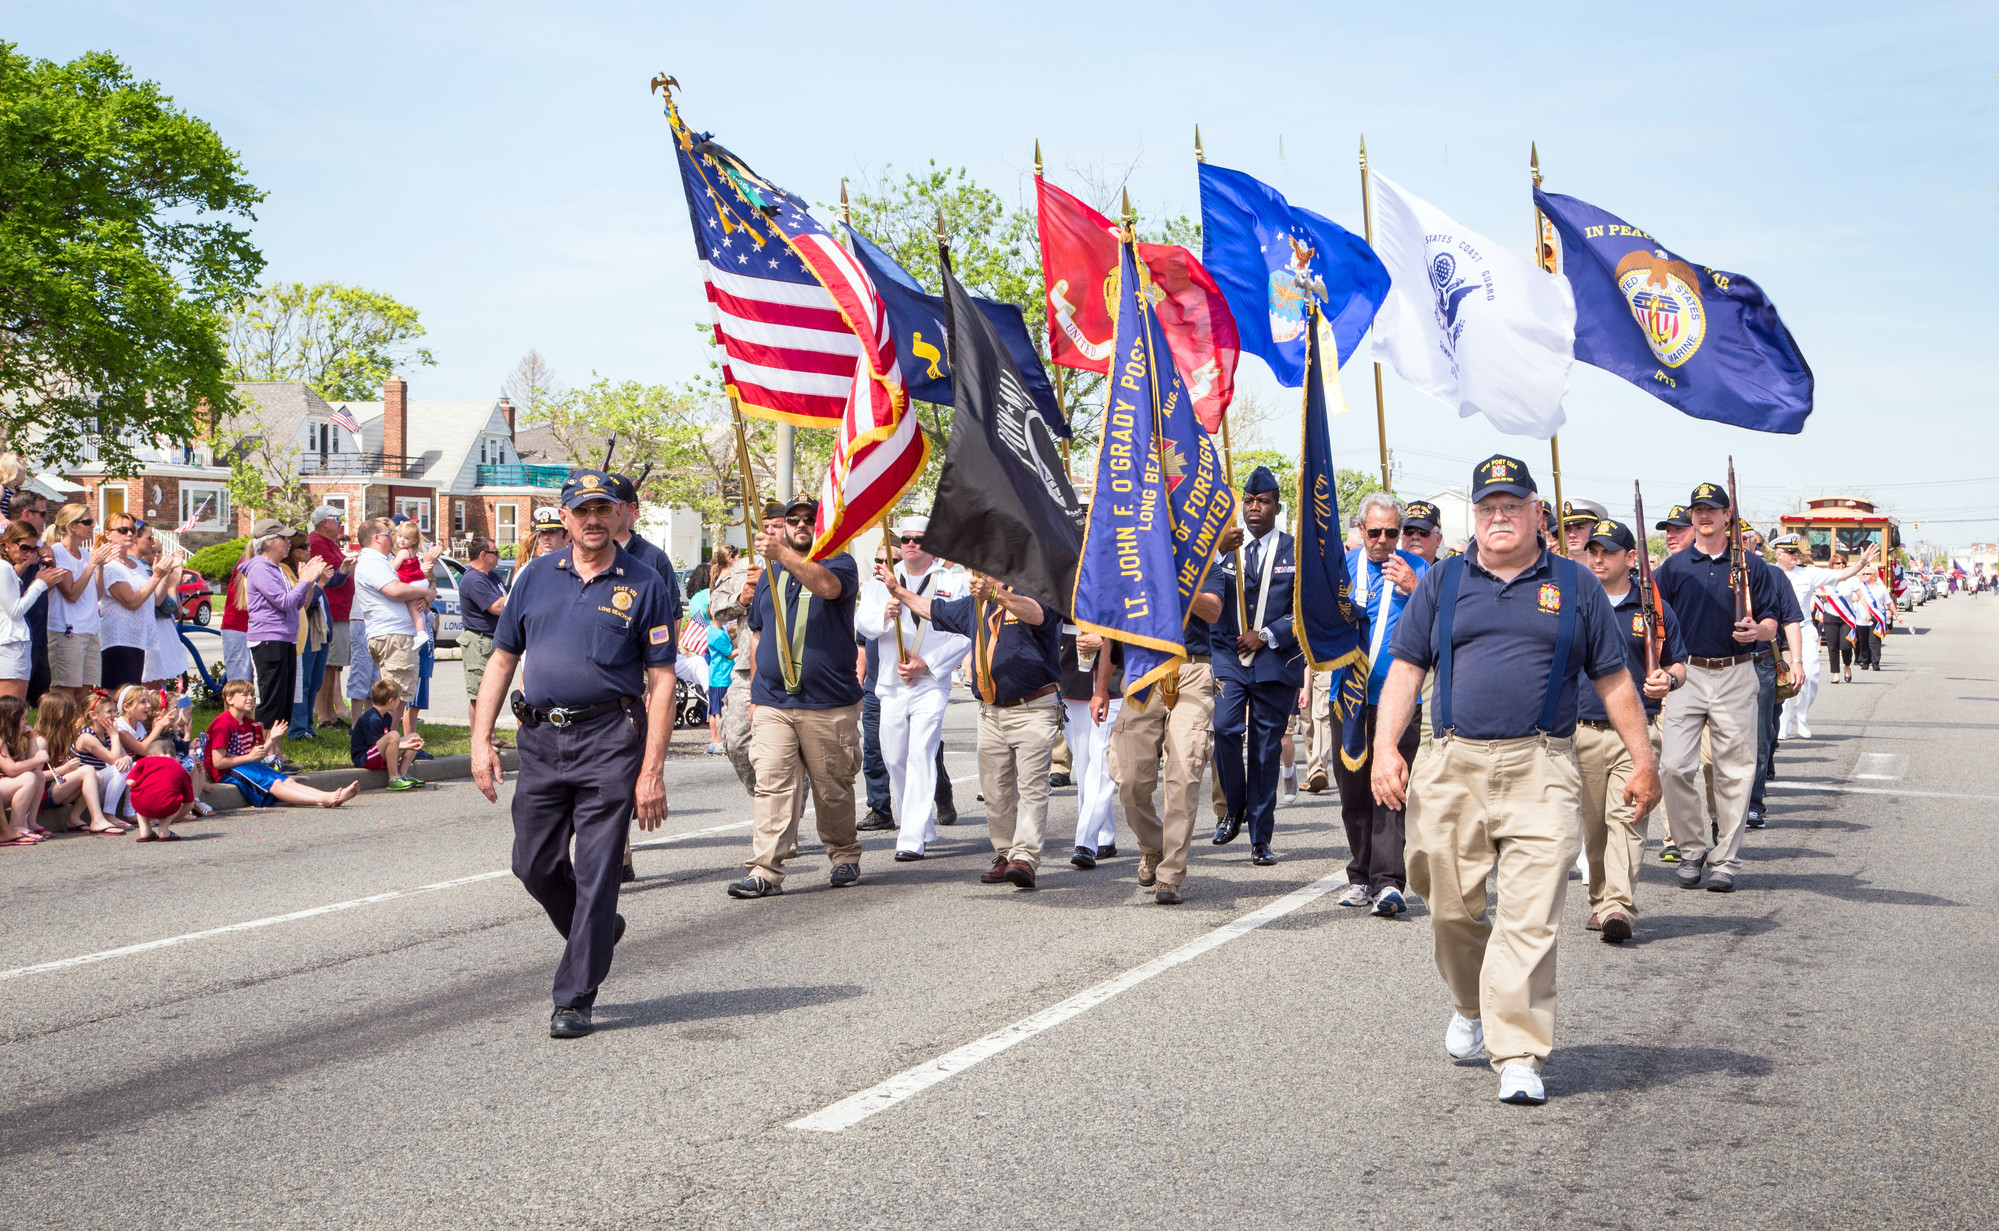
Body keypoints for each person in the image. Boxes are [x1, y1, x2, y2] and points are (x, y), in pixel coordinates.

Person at [1372, 454, 1659, 1106]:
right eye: (1486, 507)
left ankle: (1519, 1052)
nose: (1498, 517)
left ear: (1536, 512)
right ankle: (1469, 1004)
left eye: (1511, 505)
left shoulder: (1574, 585)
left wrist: (1642, 761)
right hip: (1449, 766)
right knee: (1447, 903)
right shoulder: (1441, 581)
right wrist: (1386, 746)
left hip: (1542, 767)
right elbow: (1406, 671)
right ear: (1472, 516)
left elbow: (1614, 681)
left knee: (1529, 918)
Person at [468, 468, 677, 1038]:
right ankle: (599, 930)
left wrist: (651, 771)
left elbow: (662, 683)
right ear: (565, 516)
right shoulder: (534, 577)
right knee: (531, 863)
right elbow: (502, 660)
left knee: (598, 867)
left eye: (602, 509)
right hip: (539, 740)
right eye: (581, 510)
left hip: (610, 740)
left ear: (618, 514)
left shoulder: (645, 582)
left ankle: (575, 995)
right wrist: (480, 740)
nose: (592, 520)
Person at [727, 494, 865, 898]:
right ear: (784, 524)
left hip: (828, 701)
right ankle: (764, 870)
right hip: (773, 700)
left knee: (831, 787)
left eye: (810, 518)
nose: (802, 524)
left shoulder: (840, 561)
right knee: (773, 783)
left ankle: (843, 855)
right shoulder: (768, 571)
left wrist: (783, 554)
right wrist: (754, 694)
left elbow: (826, 587)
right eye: (794, 519)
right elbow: (757, 633)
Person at [1652, 481, 1783, 893]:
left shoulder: (1752, 567)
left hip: (1736, 670)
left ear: (1728, 515)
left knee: (1735, 771)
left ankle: (1725, 858)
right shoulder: (1672, 569)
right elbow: (1654, 621)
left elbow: (1772, 620)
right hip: (1686, 674)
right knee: (1674, 766)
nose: (1704, 516)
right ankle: (1691, 849)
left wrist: (1756, 631)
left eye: (1712, 509)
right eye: (1697, 510)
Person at [895, 564, 1061, 889]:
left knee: (1031, 787)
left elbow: (1039, 615)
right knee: (996, 790)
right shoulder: (975, 603)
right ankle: (1006, 853)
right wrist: (897, 590)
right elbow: (934, 610)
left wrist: (996, 594)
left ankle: (1025, 858)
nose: (976, 570)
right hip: (990, 710)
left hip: (1032, 707)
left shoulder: (1033, 585)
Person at [1576, 520, 1687, 943]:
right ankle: (1601, 898)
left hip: (1635, 733)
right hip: (1580, 729)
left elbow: (1679, 661)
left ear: (1629, 558)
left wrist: (1669, 681)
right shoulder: (1577, 601)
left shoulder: (1652, 606)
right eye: (1593, 551)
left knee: (1628, 818)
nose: (1598, 559)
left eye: (1607, 551)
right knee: (1594, 827)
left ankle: (1619, 905)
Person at [1106, 544, 1231, 905]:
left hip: (1192, 669)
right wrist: (1101, 686)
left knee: (1185, 772)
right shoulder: (1130, 560)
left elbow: (1211, 610)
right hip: (1145, 668)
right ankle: (1152, 846)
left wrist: (1175, 580)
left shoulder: (1204, 564)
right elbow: (1111, 623)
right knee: (1129, 779)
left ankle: (1170, 875)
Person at [1336, 492, 1430, 915]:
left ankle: (1389, 883)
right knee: (1354, 791)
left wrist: (1413, 586)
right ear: (1360, 530)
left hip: (1398, 699)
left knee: (1391, 789)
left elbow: (1446, 617)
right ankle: (1361, 876)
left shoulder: (1421, 569)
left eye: (1393, 532)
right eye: (1374, 532)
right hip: (1349, 696)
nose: (1383, 540)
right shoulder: (1343, 567)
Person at [859, 516, 970, 863]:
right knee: (893, 756)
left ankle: (910, 837)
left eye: (917, 539)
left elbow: (966, 634)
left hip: (929, 682)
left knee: (921, 751)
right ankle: (921, 823)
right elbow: (861, 622)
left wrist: (928, 664)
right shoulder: (882, 580)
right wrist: (883, 616)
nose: (909, 544)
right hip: (892, 682)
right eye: (905, 538)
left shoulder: (954, 582)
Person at [1211, 465, 1302, 867]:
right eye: (1248, 501)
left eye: (1263, 501)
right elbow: (1195, 585)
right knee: (1224, 727)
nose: (1254, 508)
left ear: (1277, 507)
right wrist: (1214, 549)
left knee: (1265, 752)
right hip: (1230, 656)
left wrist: (1266, 634)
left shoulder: (1294, 551)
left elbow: (1304, 611)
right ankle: (1234, 808)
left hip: (1274, 661)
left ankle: (1260, 838)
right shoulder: (1225, 546)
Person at [1772, 537, 1873, 739]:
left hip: (1804, 630)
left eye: (1796, 552)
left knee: (1810, 676)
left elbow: (1841, 574)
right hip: (1777, 634)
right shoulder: (1767, 573)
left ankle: (1800, 714)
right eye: (1790, 552)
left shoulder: (1808, 573)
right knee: (1781, 679)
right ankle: (1782, 724)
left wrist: (1862, 562)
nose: (1795, 556)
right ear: (1778, 554)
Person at [204, 680, 360, 810]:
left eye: (252, 695)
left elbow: (256, 757)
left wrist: (271, 739)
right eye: (244, 695)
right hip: (226, 771)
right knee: (275, 784)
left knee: (286, 780)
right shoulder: (222, 725)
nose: (250, 698)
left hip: (244, 764)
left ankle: (327, 795)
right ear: (229, 699)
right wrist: (249, 757)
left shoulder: (249, 723)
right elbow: (218, 763)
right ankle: (322, 800)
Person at [241, 519, 329, 731]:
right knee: (272, 701)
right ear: (268, 542)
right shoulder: (260, 568)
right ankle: (264, 753)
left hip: (286, 638)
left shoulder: (276, 568)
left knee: (284, 702)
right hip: (269, 639)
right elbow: (284, 602)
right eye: (283, 538)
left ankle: (276, 753)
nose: (288, 543)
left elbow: (298, 603)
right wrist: (305, 581)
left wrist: (304, 581)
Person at [352, 519, 430, 734]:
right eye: (389, 534)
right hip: (393, 636)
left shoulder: (382, 561)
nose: (394, 538)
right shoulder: (372, 562)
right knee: (394, 698)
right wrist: (424, 592)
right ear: (376, 538)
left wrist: (425, 593)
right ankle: (386, 746)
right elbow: (394, 590)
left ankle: (386, 745)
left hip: (394, 635)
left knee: (397, 696)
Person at [1059, 629, 1121, 868]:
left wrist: (1106, 642)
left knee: (1101, 762)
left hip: (1114, 677)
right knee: (1086, 768)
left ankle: (1085, 841)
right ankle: (1104, 835)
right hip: (1073, 670)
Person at [99, 515, 178, 691]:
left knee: (132, 694)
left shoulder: (137, 566)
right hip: (119, 639)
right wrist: (156, 575)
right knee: (118, 695)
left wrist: (165, 575)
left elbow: (156, 599)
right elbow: (132, 601)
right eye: (123, 530)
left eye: (132, 530)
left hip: (138, 639)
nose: (129, 534)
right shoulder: (110, 566)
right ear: (108, 534)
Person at [47, 504, 116, 704]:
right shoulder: (57, 552)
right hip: (67, 631)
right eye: (87, 522)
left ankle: (77, 734)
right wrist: (92, 565)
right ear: (71, 526)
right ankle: (60, 735)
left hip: (89, 630)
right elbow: (71, 593)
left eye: (92, 521)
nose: (92, 526)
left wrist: (100, 566)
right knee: (64, 696)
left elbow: (96, 595)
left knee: (84, 696)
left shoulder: (85, 555)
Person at [33, 693, 123, 834]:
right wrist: (63, 769)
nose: (74, 717)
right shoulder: (42, 741)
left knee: (97, 777)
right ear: (58, 715)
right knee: (88, 770)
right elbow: (37, 776)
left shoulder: (63, 736)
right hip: (45, 793)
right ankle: (97, 819)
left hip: (59, 787)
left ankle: (74, 817)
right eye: (70, 713)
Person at [305, 507, 358, 731]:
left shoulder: (329, 543)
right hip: (330, 611)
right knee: (326, 666)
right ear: (324, 522)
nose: (340, 523)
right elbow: (327, 576)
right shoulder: (316, 542)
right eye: (336, 519)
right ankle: (324, 716)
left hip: (340, 611)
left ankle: (331, 714)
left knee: (332, 666)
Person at [0, 520, 58, 699]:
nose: (29, 554)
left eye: (34, 549)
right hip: (11, 645)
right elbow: (15, 611)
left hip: (14, 644)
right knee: (12, 712)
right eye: (24, 548)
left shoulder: (8, 569)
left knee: (12, 713)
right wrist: (40, 584)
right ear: (7, 544)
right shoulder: (4, 568)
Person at [287, 534, 333, 739]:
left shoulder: (309, 572)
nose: (308, 549)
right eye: (302, 547)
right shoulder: (292, 574)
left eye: (309, 545)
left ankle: (308, 726)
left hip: (320, 632)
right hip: (305, 632)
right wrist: (319, 583)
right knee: (302, 682)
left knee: (315, 682)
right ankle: (298, 728)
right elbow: (305, 605)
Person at [456, 535, 508, 708]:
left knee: (492, 691)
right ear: (483, 555)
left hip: (492, 640)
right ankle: (479, 735)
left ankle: (489, 734)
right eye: (495, 552)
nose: (498, 555)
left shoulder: (491, 576)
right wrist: (519, 590)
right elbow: (497, 607)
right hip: (479, 643)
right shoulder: (473, 579)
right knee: (479, 694)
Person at [352, 678, 426, 789]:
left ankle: (402, 774)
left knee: (414, 736)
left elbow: (389, 744)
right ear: (390, 701)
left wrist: (410, 743)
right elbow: (377, 745)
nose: (399, 702)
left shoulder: (386, 716)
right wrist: (407, 745)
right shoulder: (371, 718)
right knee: (394, 735)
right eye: (398, 699)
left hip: (378, 754)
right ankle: (393, 778)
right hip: (365, 758)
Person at [15, 493, 51, 705]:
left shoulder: (40, 547)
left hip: (39, 636)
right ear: (26, 514)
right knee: (14, 706)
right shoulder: (8, 547)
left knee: (39, 702)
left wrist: (49, 565)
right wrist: (29, 559)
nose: (46, 519)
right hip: (15, 640)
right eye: (43, 513)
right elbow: (9, 583)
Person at [0, 694, 50, 844]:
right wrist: (37, 759)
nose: (25, 722)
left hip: (5, 787)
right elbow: (12, 770)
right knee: (29, 777)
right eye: (22, 718)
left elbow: (30, 764)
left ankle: (30, 822)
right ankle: (16, 825)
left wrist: (31, 739)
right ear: (11, 719)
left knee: (37, 774)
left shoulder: (10, 739)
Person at [127, 734, 196, 843]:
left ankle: (144, 830)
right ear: (175, 757)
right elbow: (189, 801)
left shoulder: (143, 761)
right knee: (179, 799)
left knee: (139, 795)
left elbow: (130, 782)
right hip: (167, 804)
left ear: (149, 755)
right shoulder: (179, 768)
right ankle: (164, 829)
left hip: (142, 804)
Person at [218, 537, 255, 685]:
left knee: (249, 686)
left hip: (251, 629)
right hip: (238, 627)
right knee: (239, 686)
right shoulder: (249, 565)